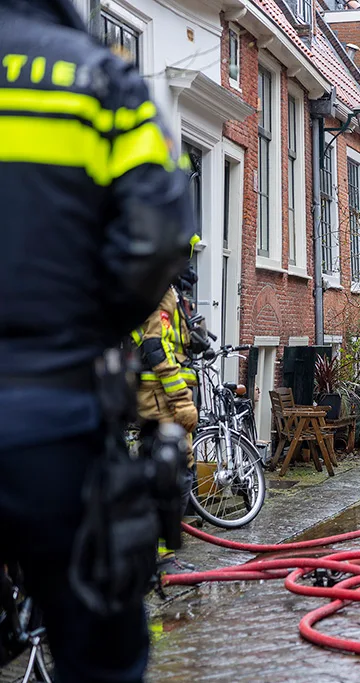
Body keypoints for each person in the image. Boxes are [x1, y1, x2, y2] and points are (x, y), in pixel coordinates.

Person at [0, 0, 195, 680]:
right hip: (60, 421)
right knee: (102, 654)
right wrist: (93, 330)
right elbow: (159, 236)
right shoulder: (100, 80)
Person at [132, 250, 201, 575]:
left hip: (163, 400)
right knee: (172, 477)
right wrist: (181, 400)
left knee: (170, 475)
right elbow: (155, 346)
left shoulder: (164, 290)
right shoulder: (160, 292)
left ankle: (157, 556)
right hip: (162, 402)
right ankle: (160, 558)